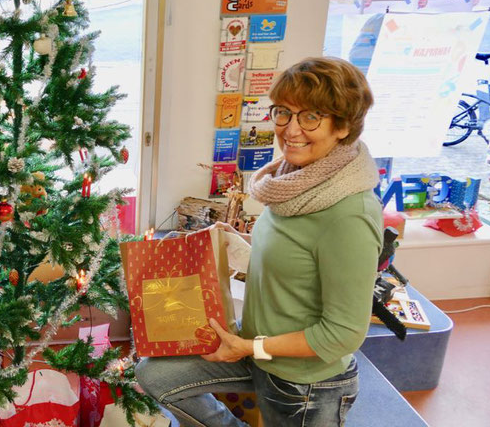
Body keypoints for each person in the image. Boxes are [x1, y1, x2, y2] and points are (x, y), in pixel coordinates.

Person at [136, 57, 382, 426]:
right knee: (153, 374)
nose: (291, 129)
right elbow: (298, 252)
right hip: (258, 352)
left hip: (306, 384)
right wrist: (239, 238)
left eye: (311, 116)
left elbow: (344, 333)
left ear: (343, 127)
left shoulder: (349, 214)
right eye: (284, 112)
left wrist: (252, 348)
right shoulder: (294, 183)